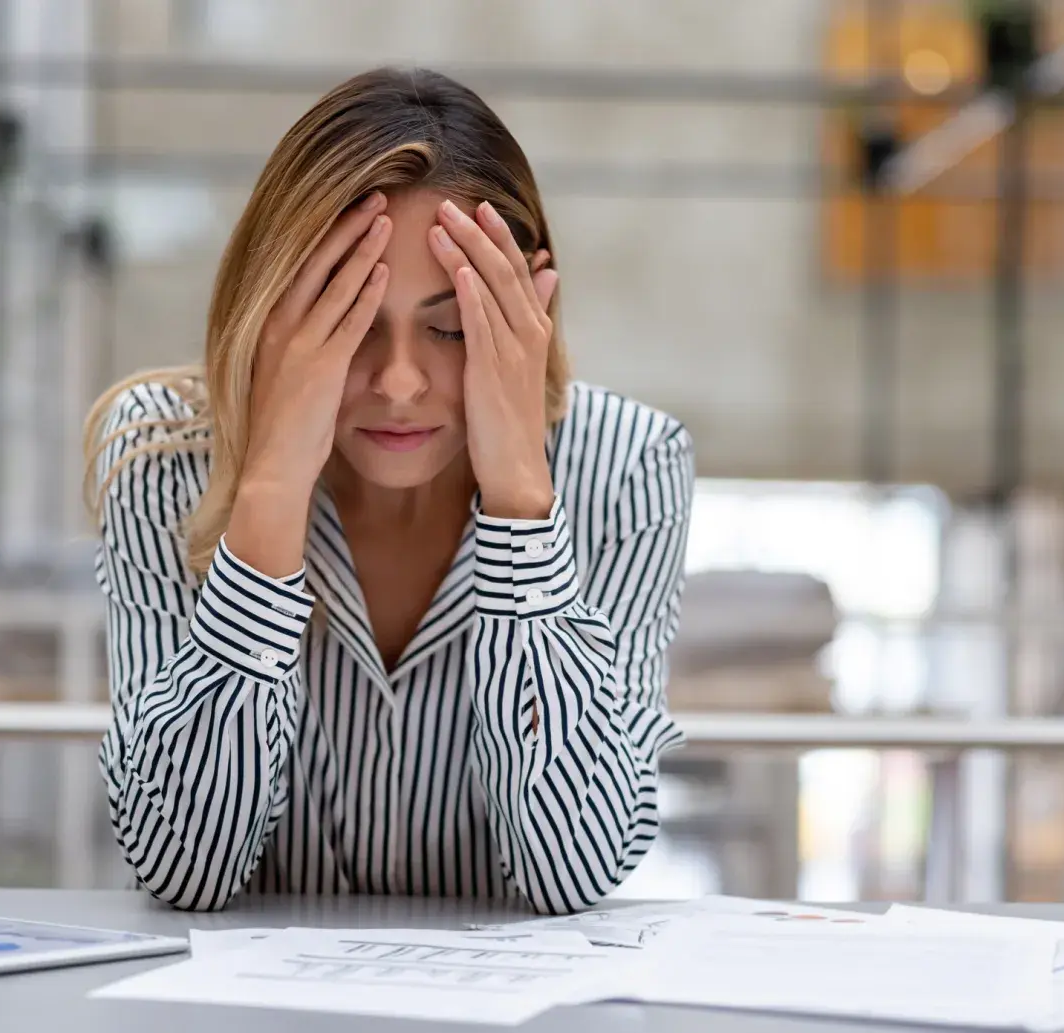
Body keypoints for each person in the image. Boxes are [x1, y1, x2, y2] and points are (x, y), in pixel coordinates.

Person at [83, 67, 694, 914]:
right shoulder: (164, 454)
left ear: (526, 307)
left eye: (448, 327)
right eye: (347, 321)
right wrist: (269, 491)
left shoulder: (628, 465)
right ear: (270, 310)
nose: (400, 381)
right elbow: (182, 866)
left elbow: (575, 870)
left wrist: (521, 491)